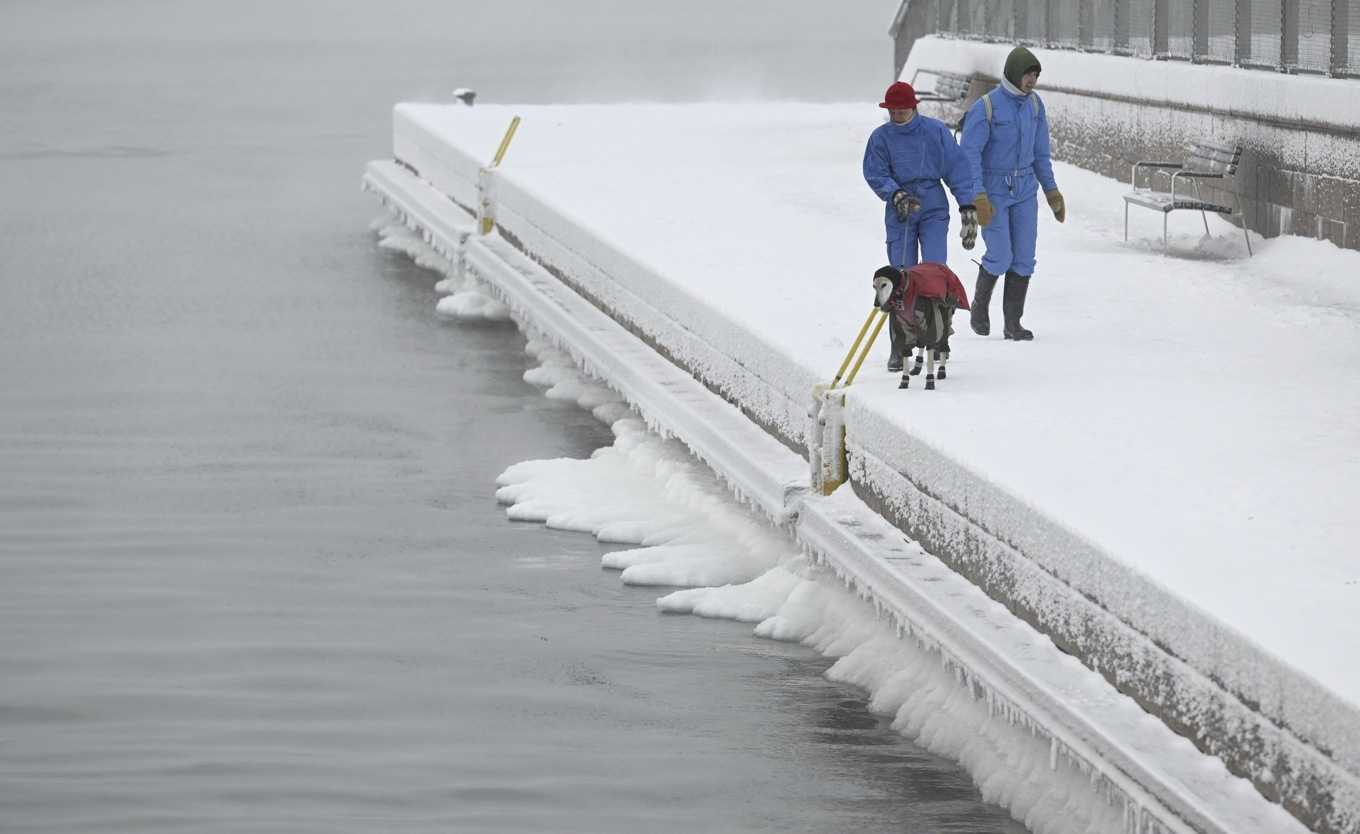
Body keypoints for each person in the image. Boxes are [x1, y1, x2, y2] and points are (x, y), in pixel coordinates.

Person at [863, 81, 978, 372]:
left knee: (935, 272)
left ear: (914, 107)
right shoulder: (880, 139)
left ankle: (938, 338)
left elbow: (957, 167)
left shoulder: (935, 131)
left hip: (932, 205)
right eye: (892, 111)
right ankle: (899, 343)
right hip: (900, 209)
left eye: (901, 110)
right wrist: (896, 195)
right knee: (901, 275)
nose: (897, 115)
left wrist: (967, 206)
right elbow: (875, 173)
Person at [959, 46, 1065, 341]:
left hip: (1025, 190)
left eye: (1035, 76)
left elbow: (1041, 153)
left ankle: (1013, 324)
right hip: (993, 191)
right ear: (1013, 73)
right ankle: (979, 307)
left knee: (1025, 257)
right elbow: (969, 154)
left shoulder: (1035, 106)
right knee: (1000, 254)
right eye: (1027, 75)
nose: (1032, 81)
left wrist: (1051, 190)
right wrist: (978, 195)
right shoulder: (987, 107)